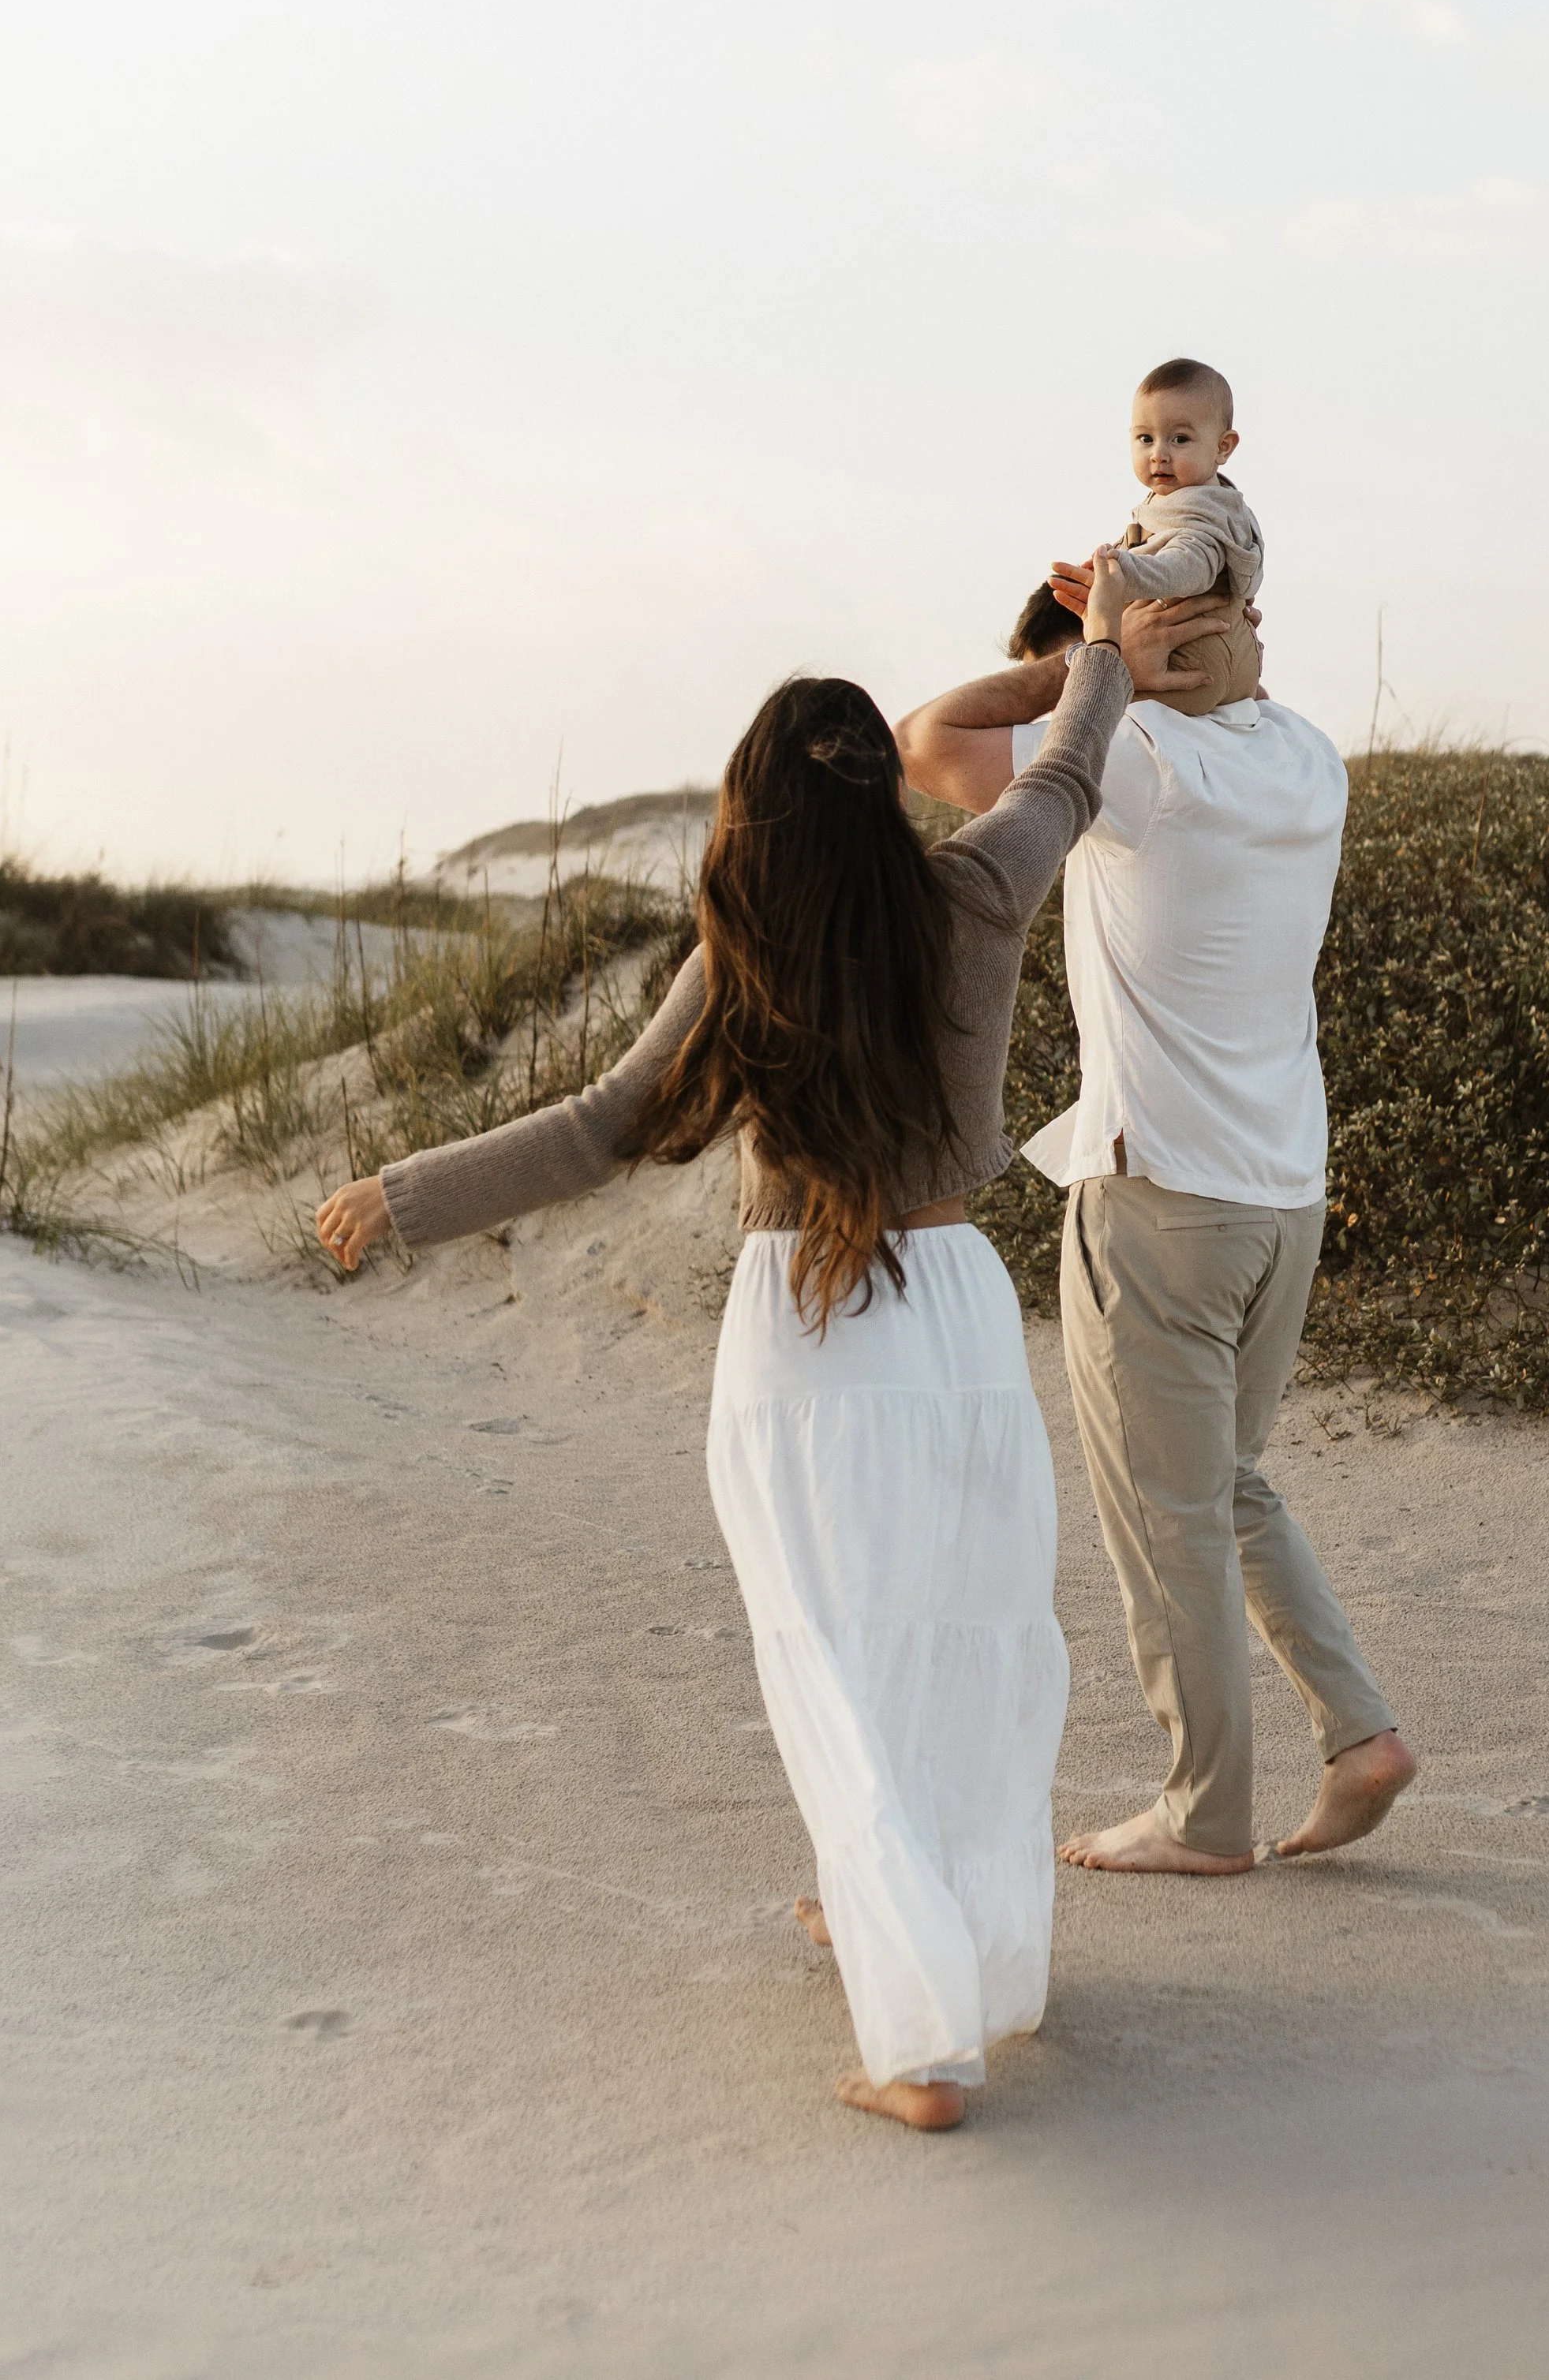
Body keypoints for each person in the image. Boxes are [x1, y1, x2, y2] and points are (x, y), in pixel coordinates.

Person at [313, 551, 1149, 2135]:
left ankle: (914, 2049)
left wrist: (404, 1195)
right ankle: (915, 1920)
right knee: (957, 1639)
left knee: (835, 1652)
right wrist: (1093, 644)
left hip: (811, 1333)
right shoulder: (973, 889)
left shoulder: (741, 944)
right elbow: (1072, 765)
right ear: (876, 797)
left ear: (750, 809)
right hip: (957, 1308)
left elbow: (603, 1128)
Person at [896, 586, 1416, 1877]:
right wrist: (1138, 645)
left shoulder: (1129, 763)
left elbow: (923, 743)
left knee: (1162, 1510)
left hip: (1159, 1197)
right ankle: (1360, 1737)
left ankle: (1204, 1814)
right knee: (1224, 1482)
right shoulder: (1303, 755)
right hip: (1283, 1191)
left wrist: (1076, 679)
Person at [1050, 357, 1263, 716]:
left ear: (1223, 447)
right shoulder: (1185, 502)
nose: (1159, 455)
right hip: (1229, 658)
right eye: (1145, 438)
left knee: (1093, 714)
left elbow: (1189, 566)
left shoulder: (1202, 513)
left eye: (1180, 439)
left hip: (1192, 665)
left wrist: (1122, 576)